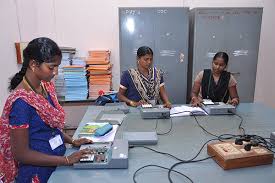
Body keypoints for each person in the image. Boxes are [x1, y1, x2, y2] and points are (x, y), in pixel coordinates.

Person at [0, 37, 92, 183]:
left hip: (57, 163)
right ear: (33, 64)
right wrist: (67, 160)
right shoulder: (21, 103)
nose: (55, 72)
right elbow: (21, 154)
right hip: (37, 173)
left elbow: (50, 129)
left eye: (57, 66)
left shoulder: (46, 87)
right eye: (51, 67)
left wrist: (72, 141)